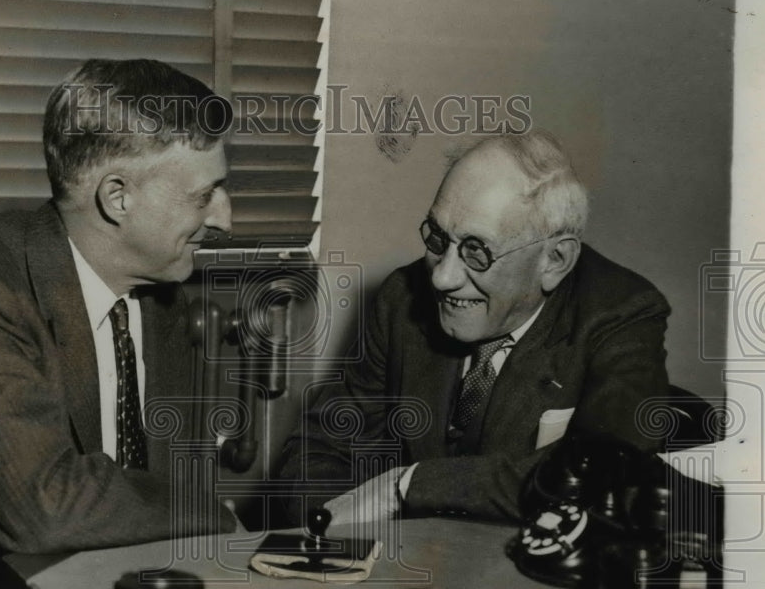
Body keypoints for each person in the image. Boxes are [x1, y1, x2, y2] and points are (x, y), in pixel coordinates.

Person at [0, 59, 238, 560]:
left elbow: (162, 488)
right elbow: (45, 508)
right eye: (204, 196)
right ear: (117, 198)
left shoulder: (159, 293)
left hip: (94, 579)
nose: (224, 218)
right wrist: (212, 511)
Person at [277, 129, 671, 526]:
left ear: (554, 260)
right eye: (437, 238)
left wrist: (406, 488)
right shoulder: (401, 298)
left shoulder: (623, 315)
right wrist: (335, 535)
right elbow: (318, 450)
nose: (442, 279)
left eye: (476, 251)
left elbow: (603, 475)